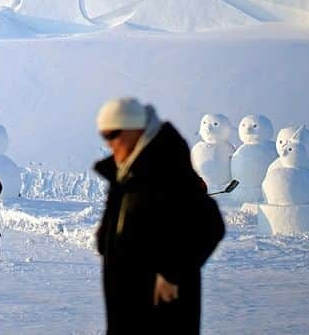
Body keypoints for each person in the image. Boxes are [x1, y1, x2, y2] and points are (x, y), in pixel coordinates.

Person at [93, 96, 225, 335]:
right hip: (126, 304)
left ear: (136, 130)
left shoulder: (167, 167)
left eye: (113, 135)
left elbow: (210, 224)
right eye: (104, 136)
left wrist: (173, 273)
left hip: (161, 311)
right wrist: (106, 239)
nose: (109, 143)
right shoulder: (124, 173)